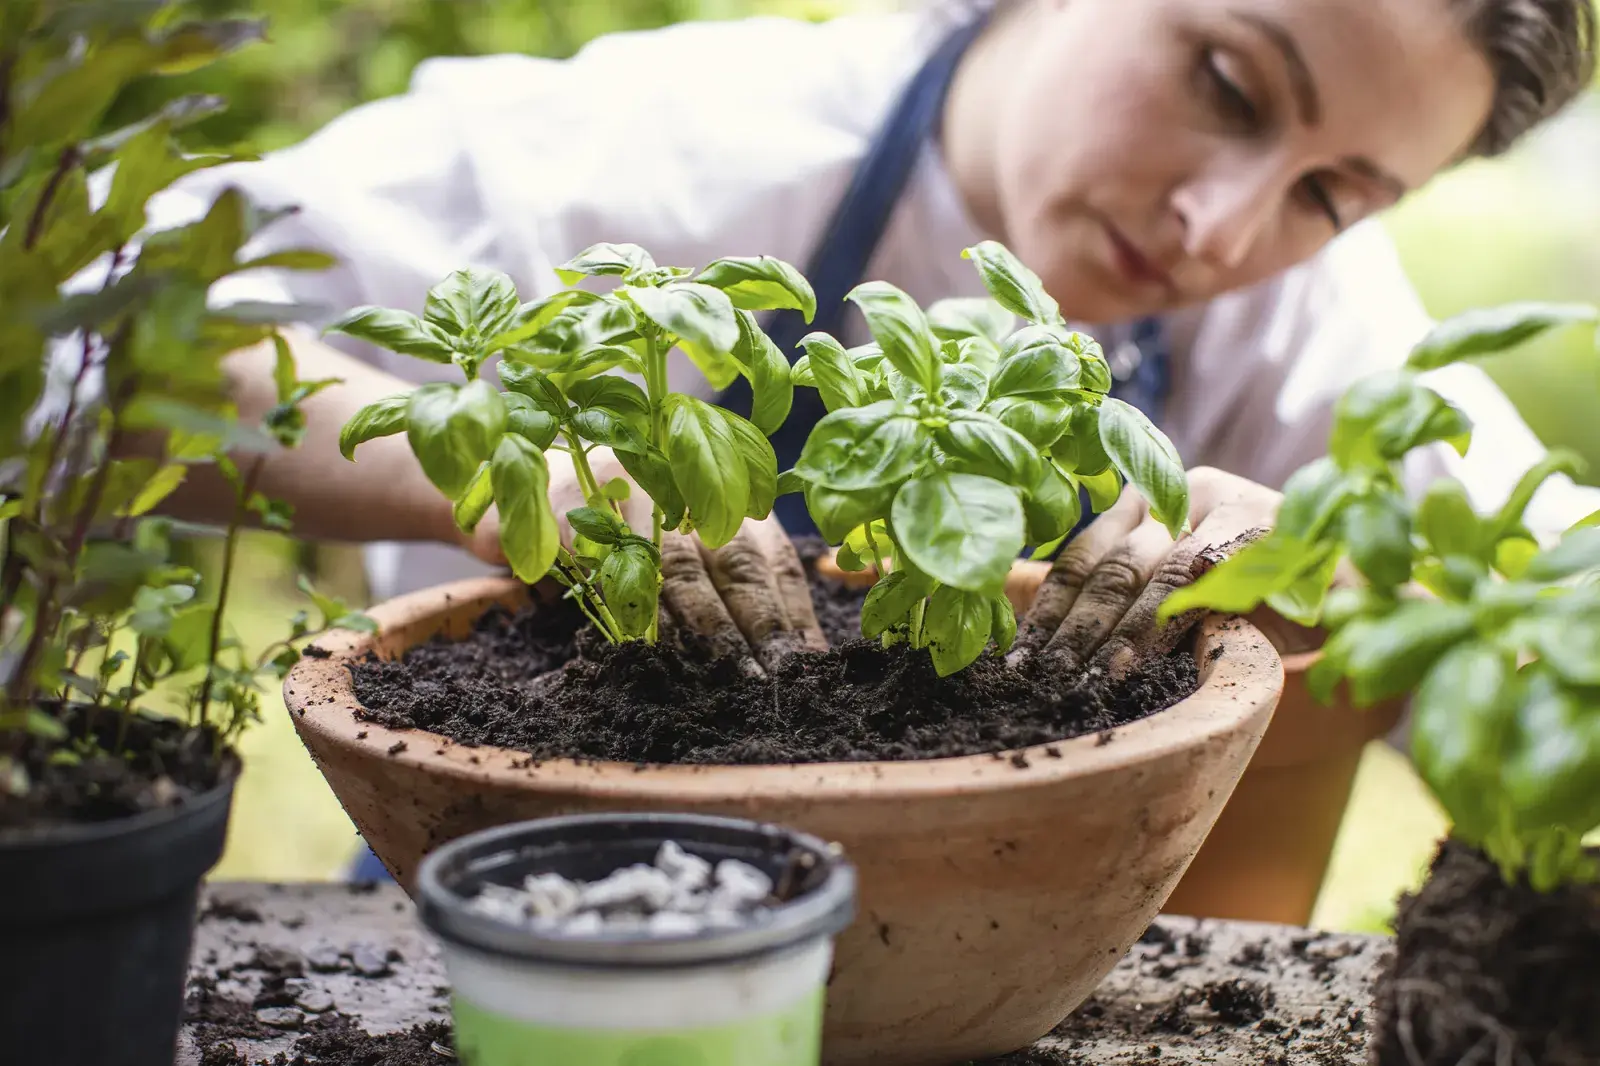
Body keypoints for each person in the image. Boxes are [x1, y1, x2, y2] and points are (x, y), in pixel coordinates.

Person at [124, 0, 1598, 903]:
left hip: (1012, 981)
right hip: (548, 937)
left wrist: (1313, 556)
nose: (1227, 227)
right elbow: (100, 336)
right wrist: (514, 483)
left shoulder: (1300, 310)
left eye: (1335, 190)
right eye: (1224, 80)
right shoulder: (673, 153)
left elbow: (1548, 610)